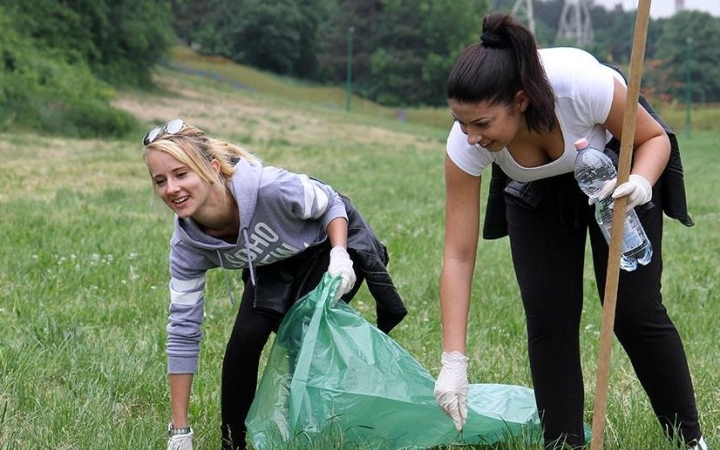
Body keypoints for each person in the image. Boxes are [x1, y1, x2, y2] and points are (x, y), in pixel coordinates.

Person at [432, 13, 707, 450]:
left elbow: (655, 139)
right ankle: (564, 445)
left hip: (613, 175)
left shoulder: (581, 85)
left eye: (482, 124)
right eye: (460, 122)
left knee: (635, 314)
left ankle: (691, 440)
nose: (469, 136)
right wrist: (453, 360)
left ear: (520, 100)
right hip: (534, 192)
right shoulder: (466, 144)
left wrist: (639, 183)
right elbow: (457, 256)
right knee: (548, 320)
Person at [141, 119, 407, 450]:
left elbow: (332, 204)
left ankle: (321, 429)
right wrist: (179, 432)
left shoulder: (271, 188)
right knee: (244, 342)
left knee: (301, 335)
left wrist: (340, 255)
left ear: (211, 168)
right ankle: (232, 444)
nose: (171, 189)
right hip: (273, 262)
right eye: (160, 181)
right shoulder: (188, 245)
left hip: (328, 244)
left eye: (181, 174)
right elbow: (182, 331)